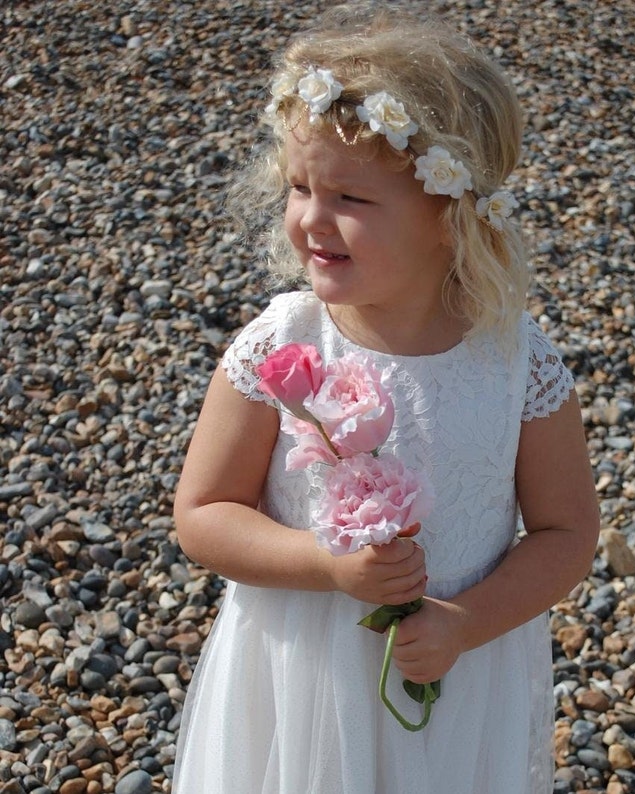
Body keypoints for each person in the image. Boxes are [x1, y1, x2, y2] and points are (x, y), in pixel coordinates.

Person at [171, 3, 600, 792]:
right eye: (299, 187)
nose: (310, 221)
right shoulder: (284, 343)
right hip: (302, 676)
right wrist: (324, 563)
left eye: (351, 200)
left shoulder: (513, 360)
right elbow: (203, 513)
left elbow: (568, 531)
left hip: (452, 671)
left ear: (450, 211)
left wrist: (468, 624)